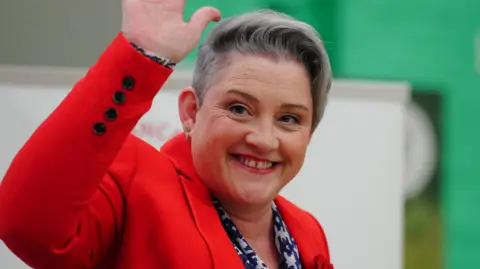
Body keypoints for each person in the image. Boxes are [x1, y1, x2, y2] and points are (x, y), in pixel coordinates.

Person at [0, 0, 333, 268]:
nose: (263, 139)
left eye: (289, 118)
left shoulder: (306, 233)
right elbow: (28, 226)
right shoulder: (133, 186)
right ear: (191, 111)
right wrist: (140, 55)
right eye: (238, 109)